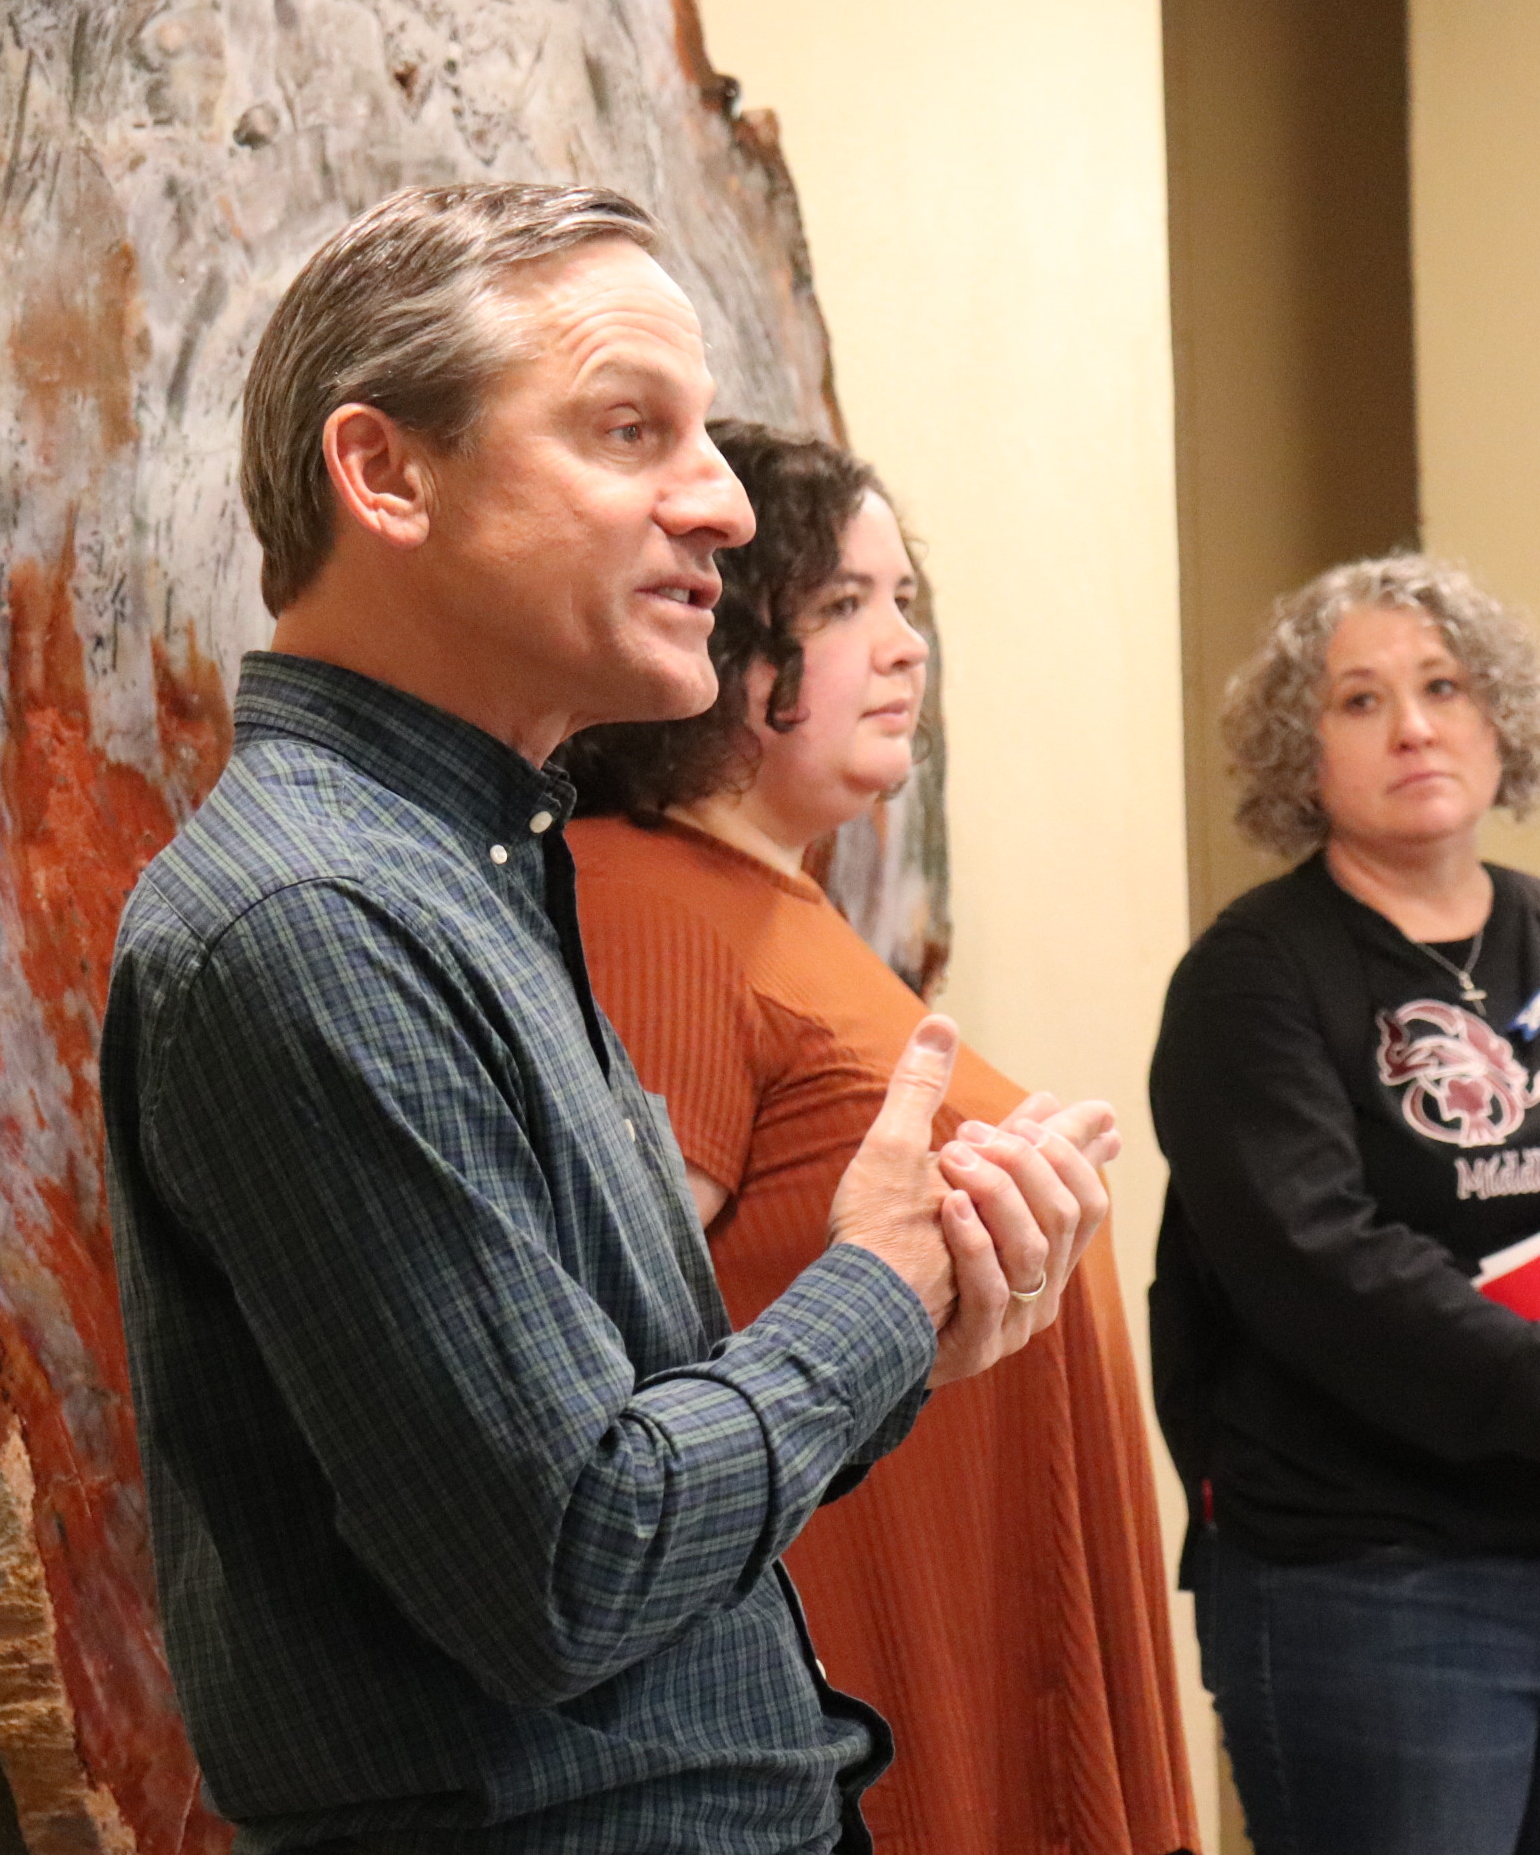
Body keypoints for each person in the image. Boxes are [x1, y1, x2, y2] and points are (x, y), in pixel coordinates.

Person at [100, 182, 1109, 1854]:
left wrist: (915, 1315)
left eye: (701, 435)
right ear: (385, 474)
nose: (722, 503)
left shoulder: (474, 868)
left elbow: (630, 1469)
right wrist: (877, 1291)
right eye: (630, 429)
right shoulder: (317, 918)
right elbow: (572, 1566)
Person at [555, 422, 1195, 1854]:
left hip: (968, 1609)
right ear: (723, 633)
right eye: (846, 603)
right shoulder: (642, 900)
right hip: (867, 1644)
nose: (906, 647)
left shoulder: (775, 904)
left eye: (905, 601)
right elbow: (625, 1347)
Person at [1147, 553, 1540, 1855]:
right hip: (1380, 1592)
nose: (1415, 727)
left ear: (1502, 717)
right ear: (1301, 752)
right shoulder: (1251, 982)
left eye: (1444, 686)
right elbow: (1327, 1271)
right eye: (1360, 700)